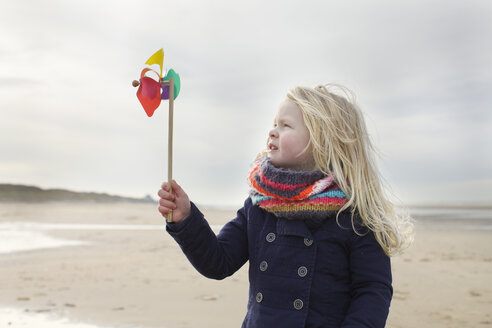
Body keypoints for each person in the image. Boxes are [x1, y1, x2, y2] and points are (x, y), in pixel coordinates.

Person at [157, 84, 414, 328]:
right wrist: (186, 219)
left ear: (324, 139)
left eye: (286, 125)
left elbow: (372, 291)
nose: (272, 131)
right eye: (274, 124)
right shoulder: (260, 204)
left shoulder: (353, 213)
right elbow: (218, 262)